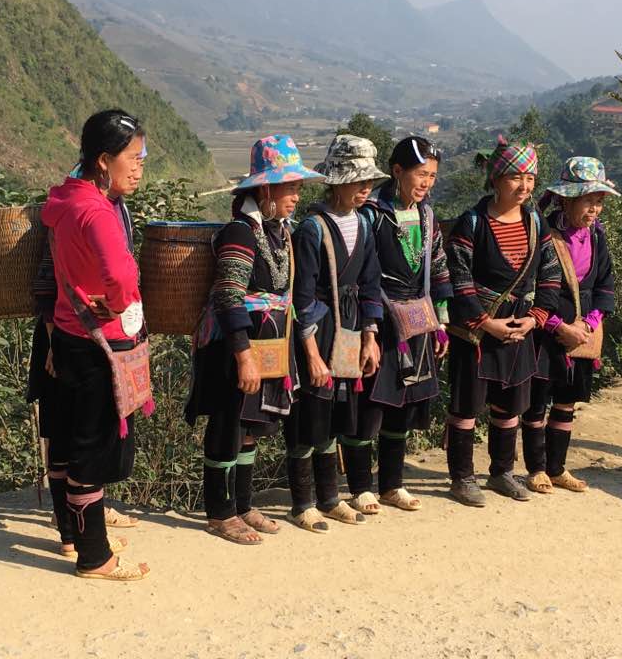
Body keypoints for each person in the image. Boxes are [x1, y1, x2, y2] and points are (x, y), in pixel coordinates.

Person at [186, 134, 325, 544]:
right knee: (228, 424)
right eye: (291, 187)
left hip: (267, 345)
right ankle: (219, 512)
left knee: (250, 427)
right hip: (234, 347)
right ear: (265, 188)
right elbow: (228, 293)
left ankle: (243, 504)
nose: (297, 196)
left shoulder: (278, 231)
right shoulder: (240, 232)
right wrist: (243, 355)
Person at [40, 109, 151, 581]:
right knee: (91, 449)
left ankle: (73, 537)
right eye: (135, 157)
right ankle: (95, 557)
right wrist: (121, 300)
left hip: (68, 334)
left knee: (66, 443)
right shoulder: (97, 211)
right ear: (105, 160)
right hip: (98, 346)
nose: (141, 166)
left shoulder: (65, 200)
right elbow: (122, 275)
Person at [339, 136, 454, 514]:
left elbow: (437, 267)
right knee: (370, 403)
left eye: (433, 176)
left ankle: (392, 483)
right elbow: (362, 268)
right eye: (421, 174)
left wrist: (441, 320)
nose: (426, 183)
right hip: (380, 317)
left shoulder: (427, 215)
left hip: (417, 319)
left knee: (403, 404)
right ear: (398, 171)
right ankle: (360, 486)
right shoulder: (373, 213)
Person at [445, 136, 561, 506]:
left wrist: (536, 318)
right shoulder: (472, 223)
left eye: (529, 178)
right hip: (478, 333)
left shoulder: (535, 223)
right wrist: (483, 321)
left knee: (510, 405)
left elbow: (551, 275)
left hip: (520, 328)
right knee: (466, 407)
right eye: (515, 177)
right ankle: (462, 477)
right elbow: (458, 278)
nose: (524, 186)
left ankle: (501, 472)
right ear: (495, 178)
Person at [287, 135, 386, 533]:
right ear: (335, 181)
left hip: (348, 328)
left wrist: (370, 335)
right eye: (357, 181)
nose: (365, 189)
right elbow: (302, 295)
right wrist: (310, 351)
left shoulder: (364, 223)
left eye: (369, 182)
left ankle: (329, 498)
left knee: (333, 415)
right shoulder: (313, 229)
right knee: (308, 414)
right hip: (319, 331)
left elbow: (370, 283)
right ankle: (302, 503)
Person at [521, 157, 618, 494]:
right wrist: (559, 326)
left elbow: (605, 284)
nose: (594, 209)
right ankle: (536, 469)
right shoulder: (544, 235)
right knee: (537, 402)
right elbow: (530, 287)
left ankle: (557, 468)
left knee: (565, 402)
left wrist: (591, 322)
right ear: (566, 199)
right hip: (548, 330)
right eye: (588, 200)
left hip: (582, 332)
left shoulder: (596, 237)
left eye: (599, 201)